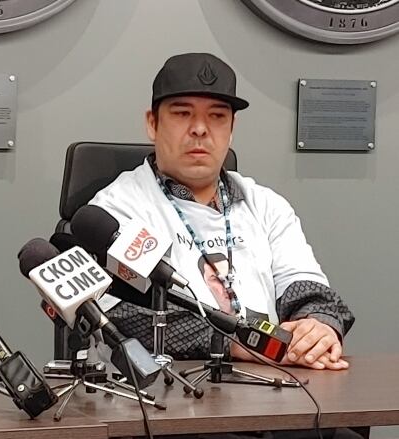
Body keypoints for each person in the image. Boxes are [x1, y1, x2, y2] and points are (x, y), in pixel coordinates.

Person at [91, 53, 354, 370]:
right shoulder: (117, 209)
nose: (200, 129)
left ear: (231, 129)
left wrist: (318, 328)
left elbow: (307, 290)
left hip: (272, 388)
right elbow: (123, 317)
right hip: (163, 395)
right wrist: (236, 342)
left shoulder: (266, 205)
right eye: (183, 113)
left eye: (217, 116)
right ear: (152, 123)